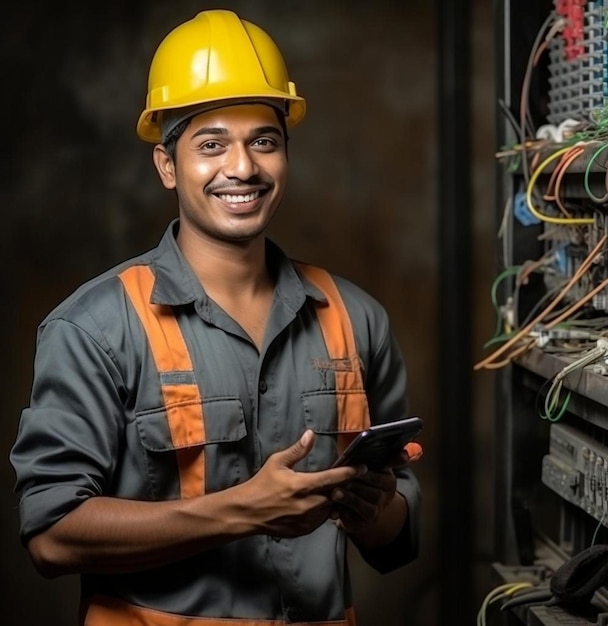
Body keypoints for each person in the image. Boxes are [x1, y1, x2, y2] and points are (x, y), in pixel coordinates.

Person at [10, 9, 422, 625]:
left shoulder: (354, 317)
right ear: (167, 165)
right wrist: (244, 509)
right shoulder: (94, 328)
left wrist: (373, 508)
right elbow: (51, 535)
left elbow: (397, 534)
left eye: (264, 141)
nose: (243, 167)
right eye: (211, 144)